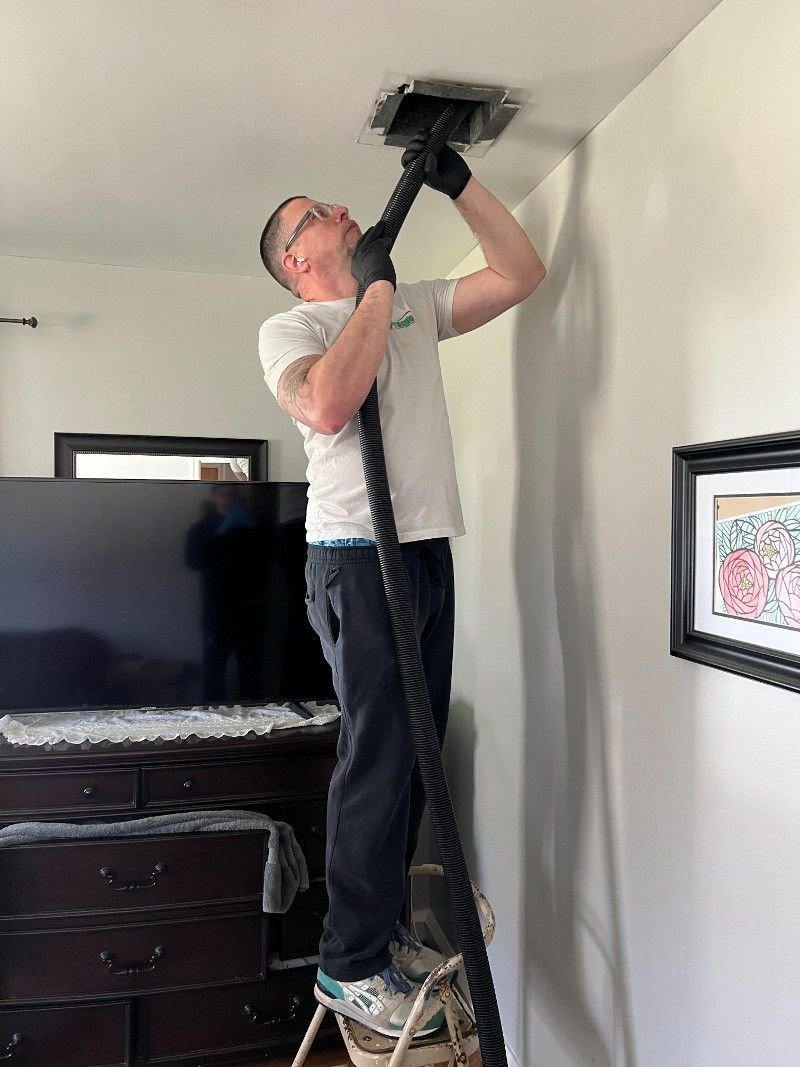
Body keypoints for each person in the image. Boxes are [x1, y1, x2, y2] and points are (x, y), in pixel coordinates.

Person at [258, 130, 546, 1039]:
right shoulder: (292, 329)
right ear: (298, 258)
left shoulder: (412, 300)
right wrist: (375, 290)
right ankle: (347, 965)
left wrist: (461, 184)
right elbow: (327, 403)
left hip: (424, 551)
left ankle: (381, 937)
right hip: (356, 554)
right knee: (378, 756)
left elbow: (521, 273)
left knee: (418, 758)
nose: (344, 209)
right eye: (319, 213)